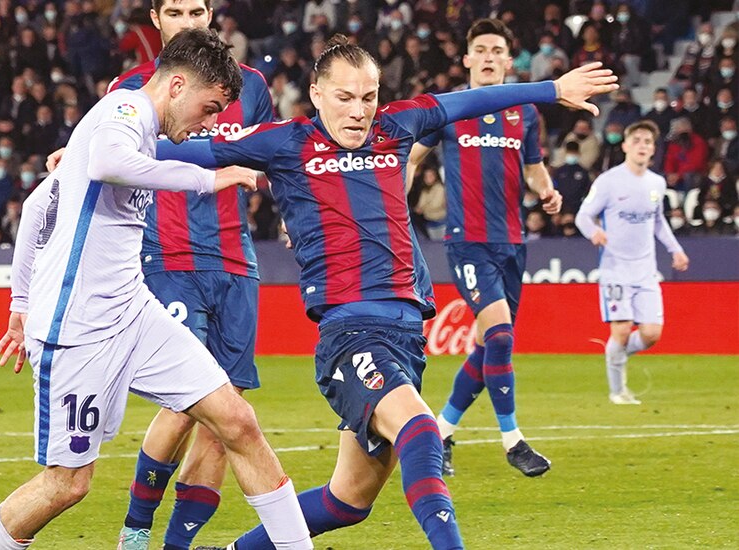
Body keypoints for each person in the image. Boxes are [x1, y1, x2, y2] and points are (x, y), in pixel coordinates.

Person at [160, 36, 616, 549]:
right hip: (350, 334)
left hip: (406, 337)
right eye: (344, 97)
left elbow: (470, 101)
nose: (359, 111)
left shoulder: (396, 126)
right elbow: (178, 147)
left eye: (369, 97)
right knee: (421, 429)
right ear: (316, 94)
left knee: (347, 501)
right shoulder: (284, 142)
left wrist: (552, 89)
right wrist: (104, 140)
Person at [0, 29, 313, 550]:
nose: (210, 123)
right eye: (209, 108)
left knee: (236, 419)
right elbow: (108, 164)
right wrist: (208, 179)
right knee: (67, 485)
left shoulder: (138, 130)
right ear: (176, 86)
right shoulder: (125, 110)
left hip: (133, 310)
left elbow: (40, 206)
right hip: (78, 329)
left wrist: (19, 304)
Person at [104, 2, 275, 548]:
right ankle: (136, 531)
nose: (189, 20)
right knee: (185, 402)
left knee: (226, 419)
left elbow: (272, 158)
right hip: (169, 258)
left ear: (211, 12)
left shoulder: (251, 85)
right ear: (156, 19)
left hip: (236, 263)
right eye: (175, 10)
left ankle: (177, 544)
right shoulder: (130, 90)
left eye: (197, 9)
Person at [406, 19, 558, 478]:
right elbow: (412, 158)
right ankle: (512, 440)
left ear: (509, 61)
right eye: (481, 49)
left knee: (490, 346)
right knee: (501, 336)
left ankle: (441, 431)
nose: (489, 57)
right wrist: (391, 201)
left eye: (497, 50)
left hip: (513, 242)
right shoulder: (449, 109)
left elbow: (533, 167)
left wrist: (547, 191)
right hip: (467, 242)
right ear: (468, 59)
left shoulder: (524, 112)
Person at [574, 120, 690, 405]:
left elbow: (658, 221)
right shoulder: (608, 181)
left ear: (653, 149)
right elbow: (583, 216)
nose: (642, 145)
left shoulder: (656, 183)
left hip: (646, 270)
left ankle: (615, 354)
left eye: (647, 141)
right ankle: (618, 391)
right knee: (622, 329)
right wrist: (594, 232)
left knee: (651, 335)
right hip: (615, 269)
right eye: (636, 140)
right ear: (625, 145)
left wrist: (676, 249)